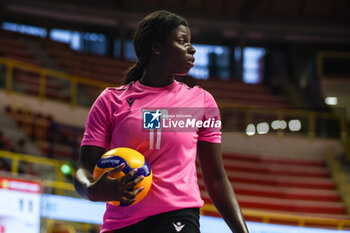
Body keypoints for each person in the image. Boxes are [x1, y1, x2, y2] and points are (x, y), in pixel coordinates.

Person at [74, 10, 249, 233]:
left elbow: (215, 178)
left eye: (191, 42)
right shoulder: (110, 101)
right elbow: (84, 172)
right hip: (120, 223)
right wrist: (93, 190)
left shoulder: (202, 102)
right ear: (156, 47)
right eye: (182, 41)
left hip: (178, 217)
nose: (191, 48)